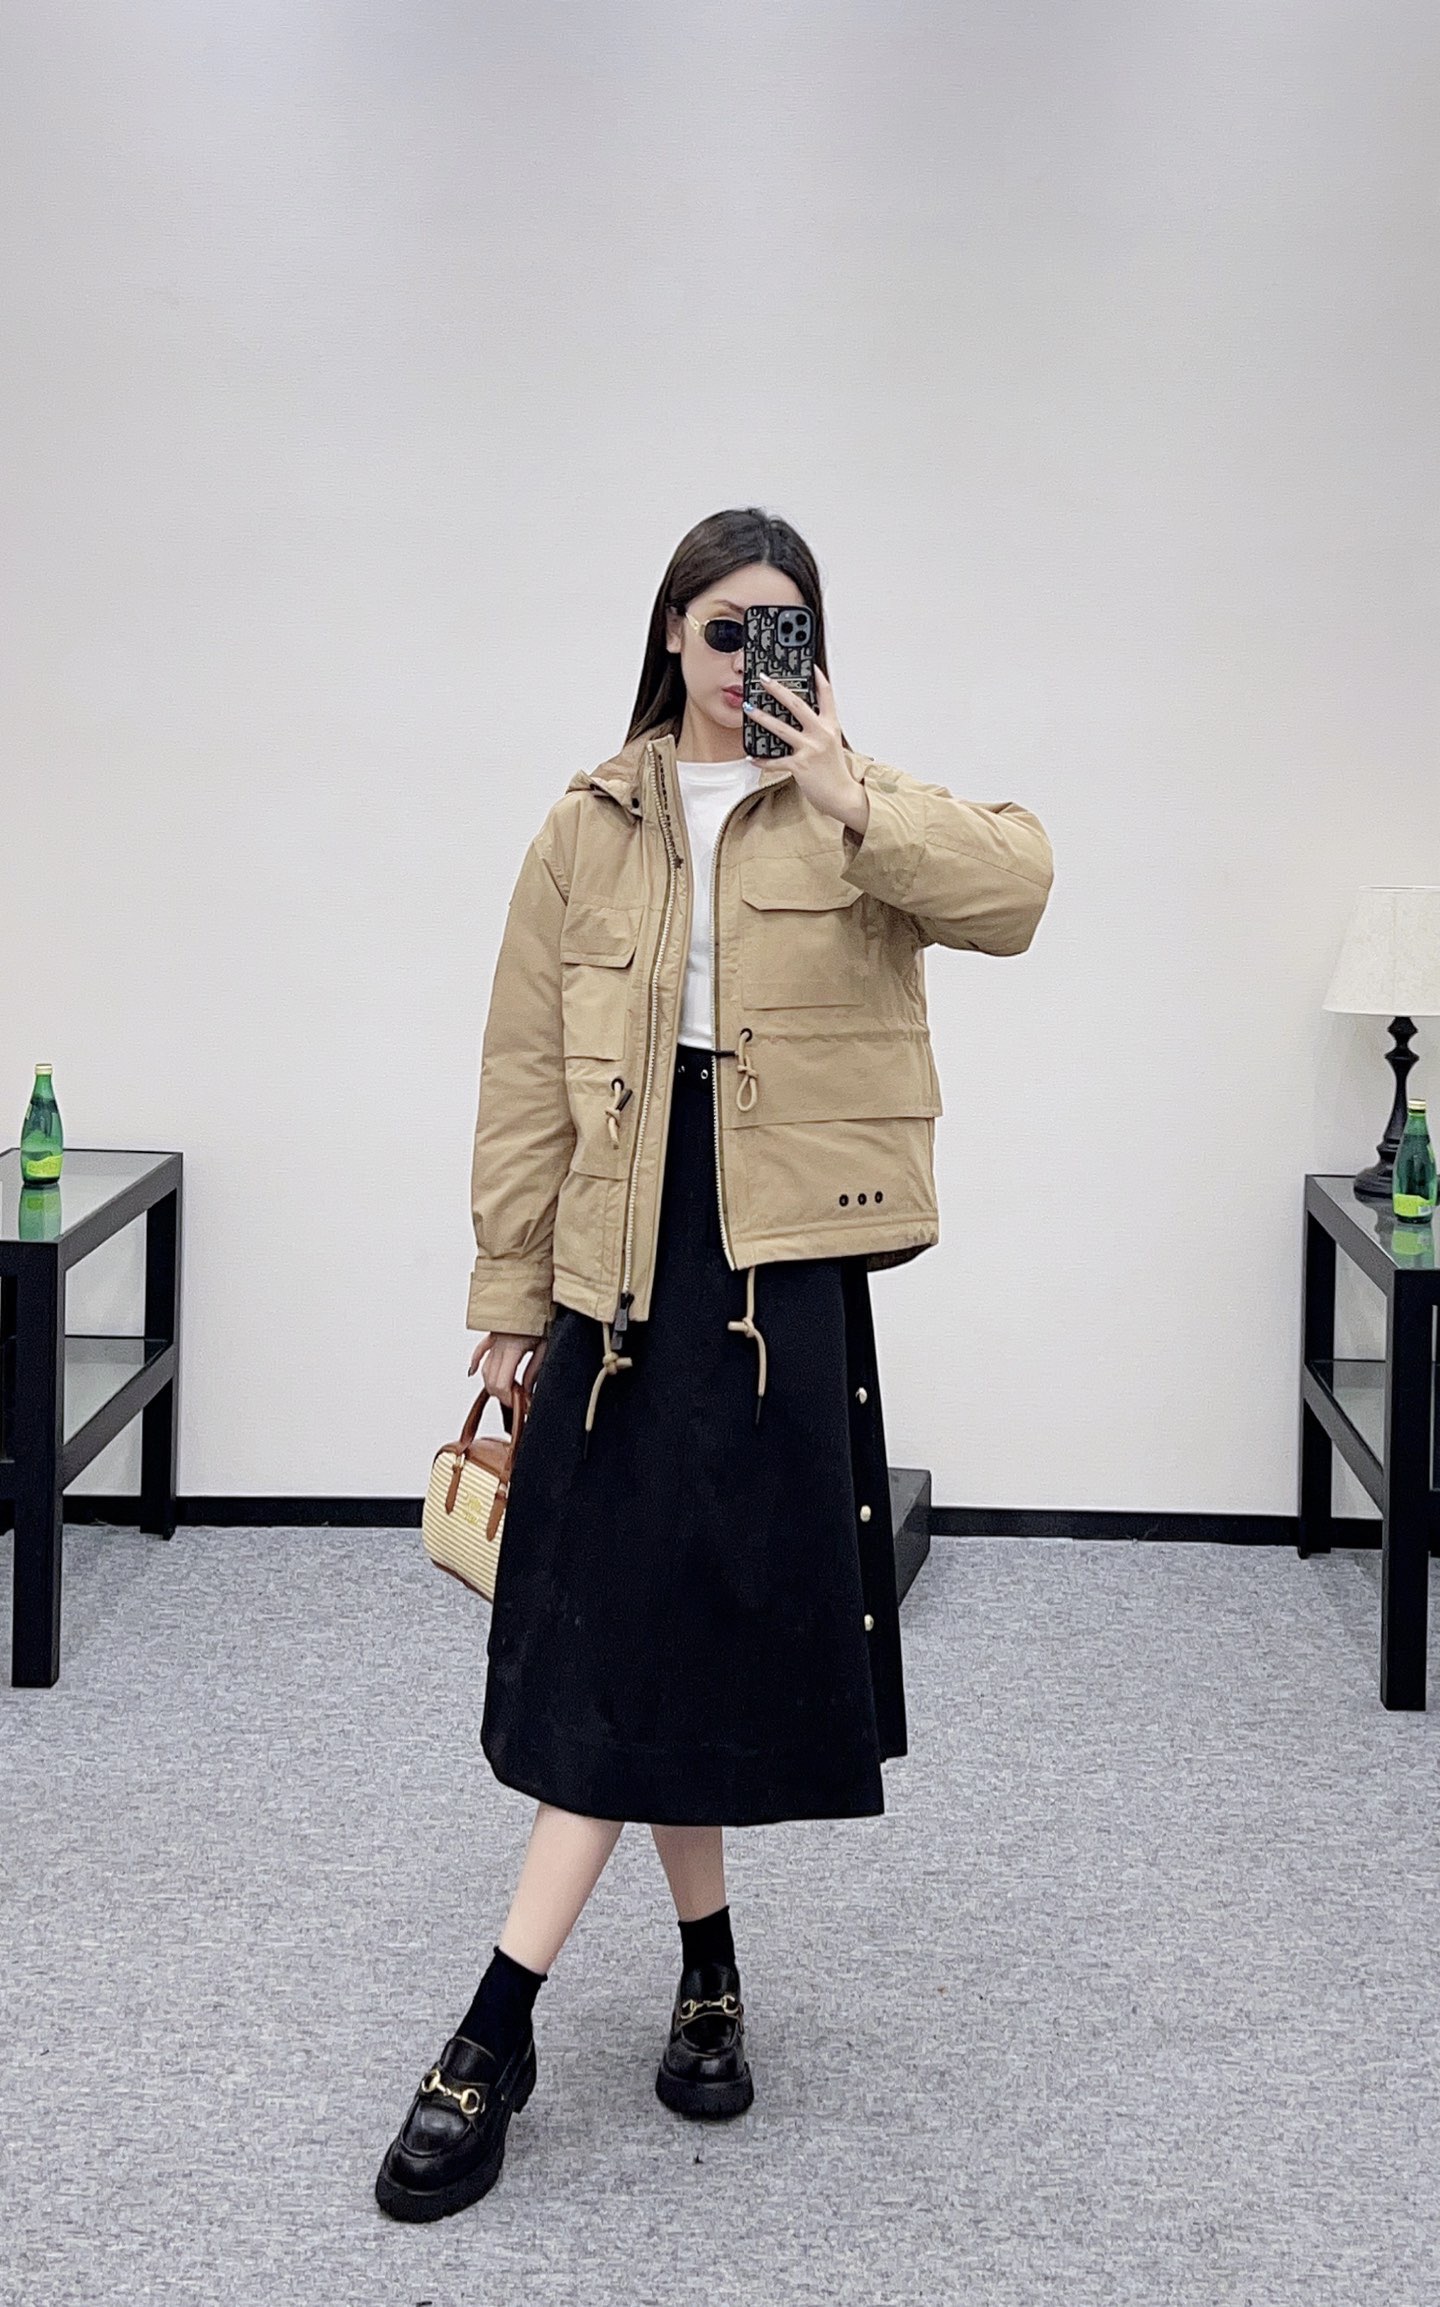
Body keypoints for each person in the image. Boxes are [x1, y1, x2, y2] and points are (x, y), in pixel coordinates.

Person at [375, 506, 1054, 2221]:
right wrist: (509, 1295)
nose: (754, 655)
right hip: (620, 1252)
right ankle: (599, 1999)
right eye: (729, 625)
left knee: (672, 1628)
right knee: (627, 1631)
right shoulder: (585, 824)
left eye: (784, 625)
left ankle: (529, 2019)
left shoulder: (852, 804)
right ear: (672, 632)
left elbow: (1021, 893)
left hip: (774, 1269)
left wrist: (855, 796)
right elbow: (522, 1072)